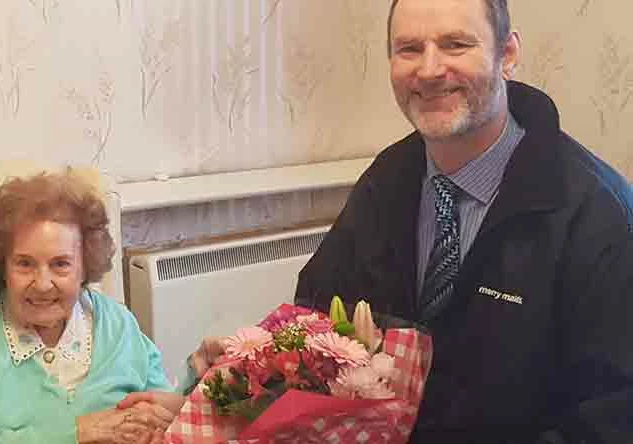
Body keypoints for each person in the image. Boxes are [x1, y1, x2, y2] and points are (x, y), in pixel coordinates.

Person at [189, 0, 633, 442]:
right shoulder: (387, 180)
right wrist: (250, 375)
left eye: (456, 44)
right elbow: (320, 331)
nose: (430, 70)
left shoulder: (599, 214)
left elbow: (612, 420)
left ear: (508, 54)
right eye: (409, 49)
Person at [0, 170, 185, 444]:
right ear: (3, 265)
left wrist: (198, 381)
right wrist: (79, 432)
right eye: (24, 263)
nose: (42, 284)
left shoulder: (118, 323)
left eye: (60, 264)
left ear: (85, 265)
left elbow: (167, 415)